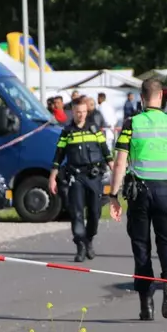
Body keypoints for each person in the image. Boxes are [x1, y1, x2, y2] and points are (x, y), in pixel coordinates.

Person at [109, 78, 167, 321]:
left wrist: (113, 195)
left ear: (141, 97)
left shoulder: (133, 123)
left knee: (141, 246)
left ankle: (146, 302)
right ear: (161, 97)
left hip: (140, 193)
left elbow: (120, 162)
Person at [49, 97, 114, 262]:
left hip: (94, 176)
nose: (81, 115)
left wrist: (117, 173)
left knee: (95, 212)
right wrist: (53, 177)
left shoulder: (94, 129)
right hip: (76, 177)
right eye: (78, 112)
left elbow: (106, 152)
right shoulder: (67, 131)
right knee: (76, 213)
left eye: (84, 112)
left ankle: (89, 239)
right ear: (73, 111)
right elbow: (58, 155)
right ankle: (80, 246)